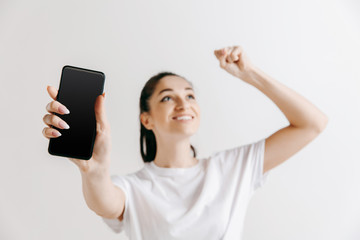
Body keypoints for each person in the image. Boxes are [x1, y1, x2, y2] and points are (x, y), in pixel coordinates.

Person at [42, 45, 328, 239]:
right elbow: (104, 202)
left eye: (190, 95)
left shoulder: (234, 168)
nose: (183, 103)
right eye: (167, 97)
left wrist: (250, 73)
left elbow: (312, 124)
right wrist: (95, 170)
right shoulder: (134, 188)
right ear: (147, 120)